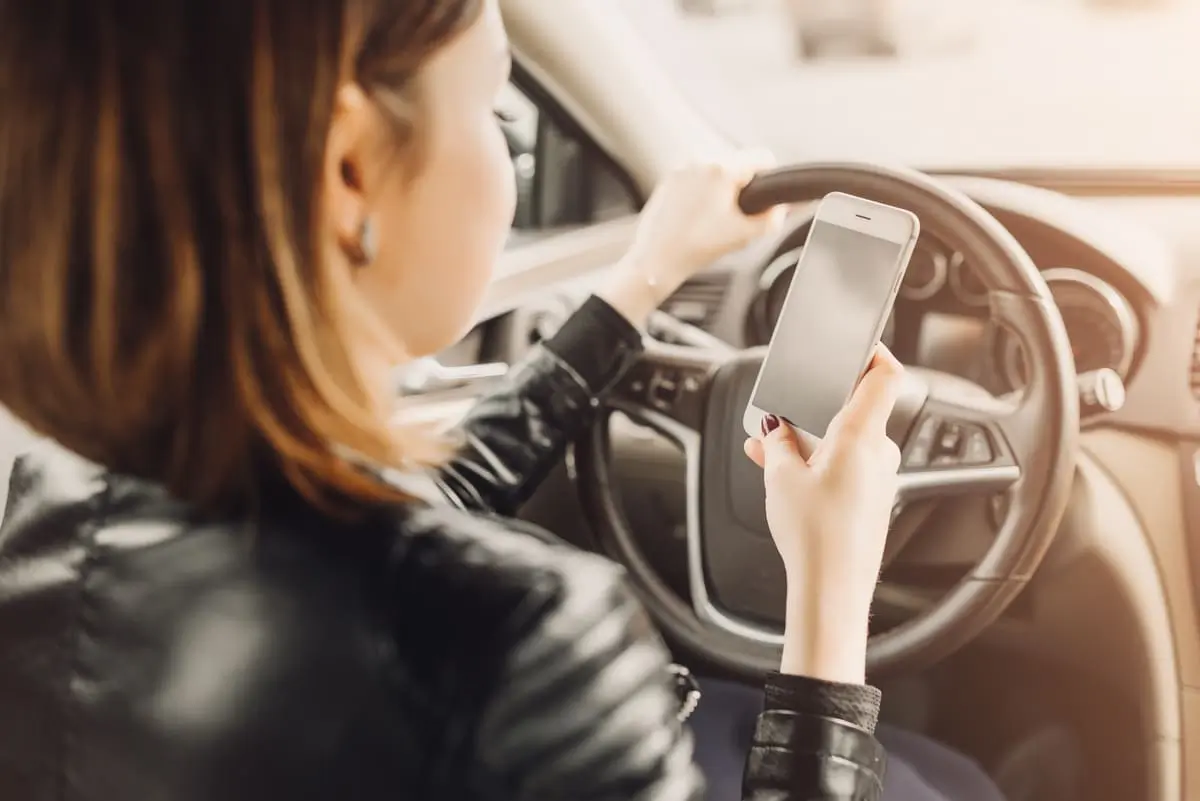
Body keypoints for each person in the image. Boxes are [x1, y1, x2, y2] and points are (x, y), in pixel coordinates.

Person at [0, 1, 1004, 799]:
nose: (510, 159)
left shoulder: (43, 519)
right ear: (349, 169)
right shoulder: (513, 649)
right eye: (494, 111)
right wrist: (829, 607)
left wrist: (641, 280)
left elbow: (420, 507)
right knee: (960, 781)